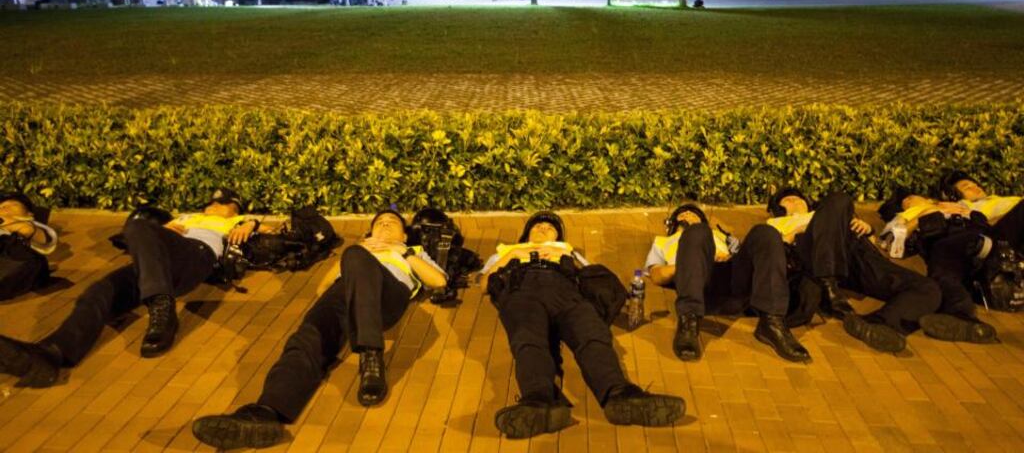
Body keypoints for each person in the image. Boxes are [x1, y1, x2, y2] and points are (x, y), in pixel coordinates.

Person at [192, 209, 447, 450]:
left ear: (404, 234)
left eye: (392, 222)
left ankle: (371, 356)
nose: (385, 224)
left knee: (357, 258)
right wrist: (355, 253)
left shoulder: (412, 250)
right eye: (379, 223)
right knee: (306, 340)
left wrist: (401, 251)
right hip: (344, 295)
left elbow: (438, 281)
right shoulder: (357, 250)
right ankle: (266, 412)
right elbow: (322, 289)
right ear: (369, 233)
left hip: (387, 296)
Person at [0, 188, 261, 388]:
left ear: (236, 208)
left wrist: (251, 224)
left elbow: (274, 229)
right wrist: (162, 230)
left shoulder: (241, 220)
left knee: (138, 225)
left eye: (223, 203)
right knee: (100, 291)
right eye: (212, 201)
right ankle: (52, 354)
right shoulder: (186, 217)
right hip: (156, 264)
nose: (214, 205)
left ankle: (161, 306)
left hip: (195, 256)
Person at [482, 211, 684, 439]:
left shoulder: (567, 251)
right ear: (526, 233)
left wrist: (568, 258)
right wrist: (514, 255)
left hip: (566, 293)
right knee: (529, 340)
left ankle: (619, 394)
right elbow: (484, 283)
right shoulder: (506, 251)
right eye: (537, 225)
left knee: (592, 335)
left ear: (558, 236)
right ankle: (538, 400)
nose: (543, 228)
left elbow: (591, 278)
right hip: (523, 292)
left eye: (550, 227)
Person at [767, 188, 941, 354]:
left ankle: (877, 324)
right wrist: (800, 229)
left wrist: (868, 231)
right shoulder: (776, 224)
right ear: (778, 209)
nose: (795, 201)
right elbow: (779, 250)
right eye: (788, 200)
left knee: (928, 287)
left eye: (798, 198)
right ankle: (829, 284)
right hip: (815, 256)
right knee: (839, 199)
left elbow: (883, 248)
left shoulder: (828, 212)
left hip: (857, 256)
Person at [645, 204, 810, 363]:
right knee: (696, 232)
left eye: (693, 213)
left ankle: (772, 322)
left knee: (765, 232)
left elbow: (748, 255)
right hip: (701, 284)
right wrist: (689, 263)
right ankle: (688, 323)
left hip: (733, 278)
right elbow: (656, 274)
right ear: (672, 224)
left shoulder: (720, 235)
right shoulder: (662, 242)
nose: (688, 215)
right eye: (682, 214)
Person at [878, 187, 1012, 342]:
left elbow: (991, 219)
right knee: (943, 272)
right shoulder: (903, 216)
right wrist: (921, 218)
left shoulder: (961, 205)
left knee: (942, 268)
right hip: (949, 243)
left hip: (981, 233)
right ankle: (967, 322)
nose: (908, 201)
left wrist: (969, 213)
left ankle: (960, 315)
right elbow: (891, 241)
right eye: (905, 203)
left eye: (911, 198)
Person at [941, 171, 1023, 254]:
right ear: (954, 196)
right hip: (1001, 233)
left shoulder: (997, 198)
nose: (976, 188)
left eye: (976, 185)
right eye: (967, 188)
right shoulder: (964, 206)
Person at [0, 192, 58, 300]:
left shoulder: (29, 226)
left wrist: (16, 226)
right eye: (2, 207)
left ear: (29, 214)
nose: (4, 209)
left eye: (12, 206)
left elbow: (44, 239)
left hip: (21, 261)